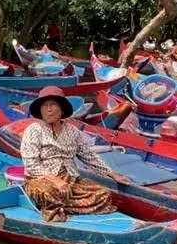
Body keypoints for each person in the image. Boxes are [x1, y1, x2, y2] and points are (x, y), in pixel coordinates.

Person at [19, 86, 127, 222]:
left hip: (71, 180)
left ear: (62, 109)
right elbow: (31, 164)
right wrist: (56, 180)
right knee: (48, 192)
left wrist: (111, 173)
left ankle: (61, 207)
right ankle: (59, 207)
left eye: (52, 105)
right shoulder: (33, 130)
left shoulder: (73, 131)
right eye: (44, 106)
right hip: (42, 179)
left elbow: (88, 156)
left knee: (103, 194)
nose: (48, 109)